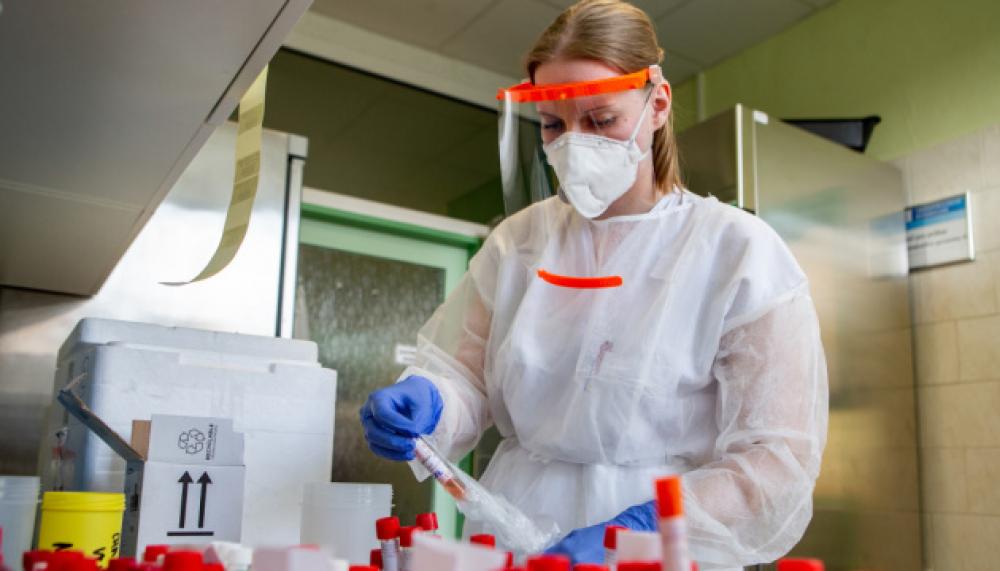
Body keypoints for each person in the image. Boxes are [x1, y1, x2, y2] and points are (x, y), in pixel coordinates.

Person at [360, 1, 828, 568]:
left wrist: (647, 523)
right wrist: (433, 401)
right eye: (553, 125)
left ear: (657, 105)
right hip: (519, 523)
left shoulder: (737, 252)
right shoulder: (518, 243)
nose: (574, 143)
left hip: (667, 544)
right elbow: (467, 379)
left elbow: (774, 459)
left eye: (601, 120)